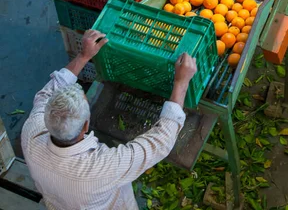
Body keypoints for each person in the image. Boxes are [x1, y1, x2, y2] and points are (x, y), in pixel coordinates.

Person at [21, 29, 197, 210]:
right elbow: (160, 142)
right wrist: (181, 83)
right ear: (85, 126)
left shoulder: (31, 133)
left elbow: (49, 91)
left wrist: (83, 56)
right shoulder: (99, 169)